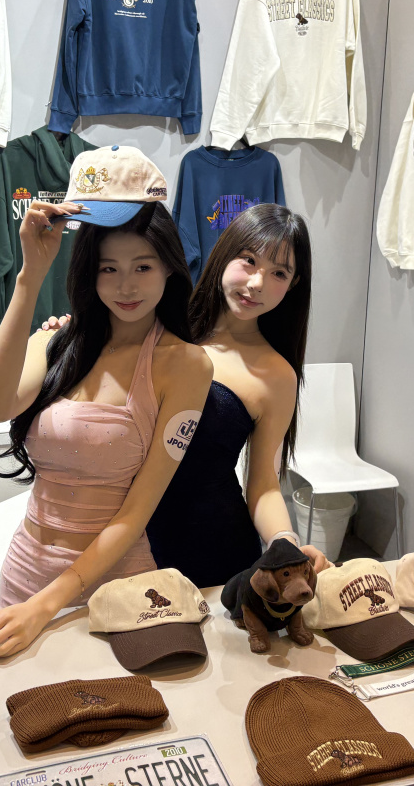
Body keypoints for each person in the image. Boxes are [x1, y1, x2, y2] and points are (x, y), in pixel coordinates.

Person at [0, 146, 212, 661]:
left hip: (116, 584)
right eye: (108, 268)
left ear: (169, 268)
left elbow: (135, 513)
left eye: (143, 266)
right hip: (25, 569)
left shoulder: (186, 365)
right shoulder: (60, 341)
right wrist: (31, 276)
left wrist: (46, 606)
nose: (126, 286)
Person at [42, 203, 328, 586]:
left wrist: (284, 542)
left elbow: (263, 483)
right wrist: (67, 338)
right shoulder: (156, 326)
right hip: (116, 537)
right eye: (248, 260)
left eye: (279, 273)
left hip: (212, 550)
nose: (258, 282)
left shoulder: (276, 375)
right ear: (223, 254)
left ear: (293, 285)